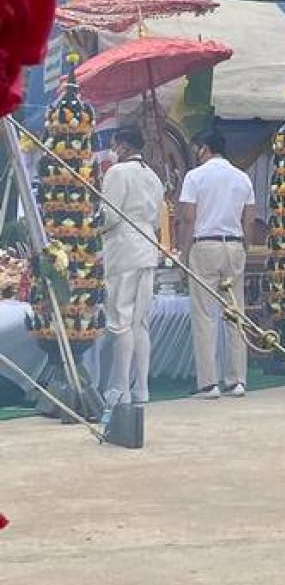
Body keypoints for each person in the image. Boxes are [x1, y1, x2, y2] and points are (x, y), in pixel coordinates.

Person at [177, 129, 255, 399]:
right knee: (236, 314)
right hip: (234, 245)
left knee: (204, 316)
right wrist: (243, 246)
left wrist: (183, 253)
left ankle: (208, 383)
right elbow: (249, 217)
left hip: (205, 244)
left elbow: (188, 218)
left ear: (204, 149)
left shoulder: (195, 176)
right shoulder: (242, 177)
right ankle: (237, 380)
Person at [100, 125, 165, 406]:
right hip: (147, 246)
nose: (113, 152)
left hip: (124, 247)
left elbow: (110, 216)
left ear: (124, 146)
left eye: (114, 147)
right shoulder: (153, 176)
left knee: (120, 320)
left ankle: (120, 388)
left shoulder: (117, 172)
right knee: (140, 322)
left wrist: (93, 228)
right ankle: (141, 388)